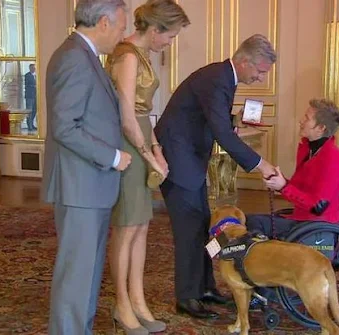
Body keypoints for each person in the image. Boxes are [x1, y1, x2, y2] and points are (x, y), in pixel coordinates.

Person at [154, 34, 277, 319]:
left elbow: (215, 120)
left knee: (201, 226)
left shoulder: (224, 77)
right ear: (245, 62)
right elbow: (220, 131)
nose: (260, 78)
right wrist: (261, 165)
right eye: (259, 71)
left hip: (191, 160)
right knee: (188, 231)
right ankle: (187, 297)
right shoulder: (218, 79)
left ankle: (206, 288)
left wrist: (230, 124)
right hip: (177, 159)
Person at [41, 1, 131, 334]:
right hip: (80, 184)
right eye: (121, 27)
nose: (122, 34)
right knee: (76, 276)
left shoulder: (83, 55)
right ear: (104, 22)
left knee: (88, 273)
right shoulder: (75, 58)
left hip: (90, 185)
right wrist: (112, 156)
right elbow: (66, 126)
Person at [104, 0, 189, 333]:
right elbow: (126, 117)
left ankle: (138, 301)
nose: (169, 43)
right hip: (126, 144)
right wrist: (146, 153)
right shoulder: (126, 55)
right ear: (155, 30)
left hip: (139, 140)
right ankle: (121, 304)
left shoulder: (141, 56)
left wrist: (156, 148)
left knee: (140, 227)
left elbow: (141, 114)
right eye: (169, 37)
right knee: (126, 227)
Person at [245, 98, 339, 309]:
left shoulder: (332, 158)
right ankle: (263, 281)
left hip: (316, 228)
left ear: (321, 128)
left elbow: (318, 206)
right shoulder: (308, 149)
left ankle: (264, 284)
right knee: (250, 223)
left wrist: (283, 186)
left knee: (252, 225)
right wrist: (280, 183)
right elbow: (301, 191)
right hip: (300, 220)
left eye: (306, 118)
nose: (301, 121)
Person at [24, 63, 37, 131]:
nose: (34, 69)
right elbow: (27, 85)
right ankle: (29, 126)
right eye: (32, 68)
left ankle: (31, 124)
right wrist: (35, 86)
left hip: (36, 96)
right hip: (29, 96)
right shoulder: (27, 75)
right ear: (30, 68)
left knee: (35, 110)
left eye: (35, 68)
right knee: (29, 111)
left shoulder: (37, 76)